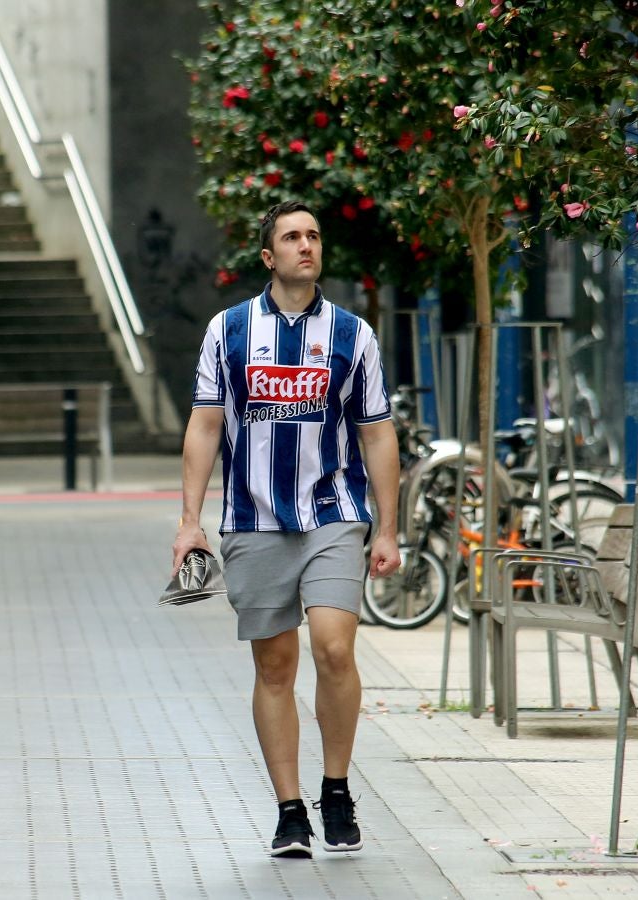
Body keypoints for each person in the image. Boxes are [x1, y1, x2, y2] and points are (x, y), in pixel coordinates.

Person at [171, 200, 402, 859]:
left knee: (333, 648)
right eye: (292, 237)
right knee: (274, 664)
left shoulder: (352, 334)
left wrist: (386, 528)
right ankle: (289, 810)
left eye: (313, 236)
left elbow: (376, 432)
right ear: (268, 257)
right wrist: (189, 521)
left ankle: (335, 788)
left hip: (333, 514)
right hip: (253, 521)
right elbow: (206, 425)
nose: (306, 245)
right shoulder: (230, 330)